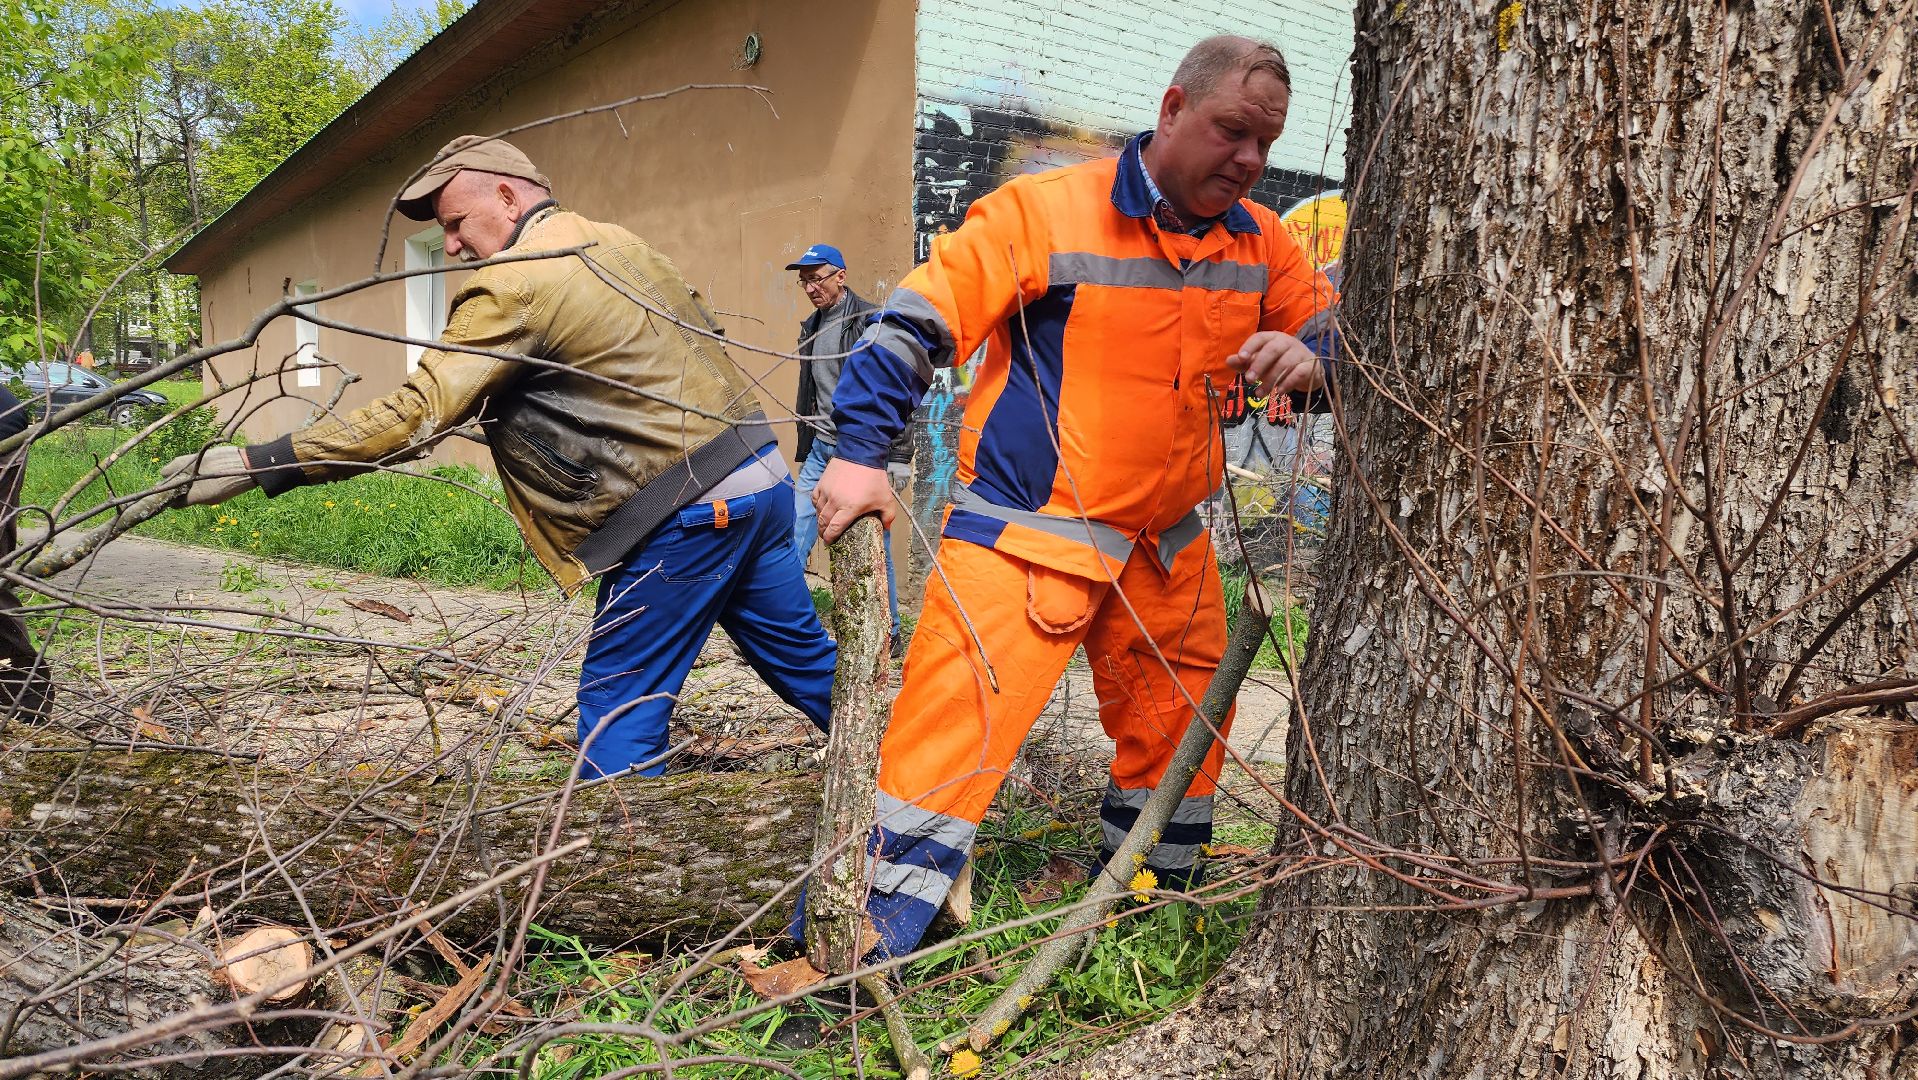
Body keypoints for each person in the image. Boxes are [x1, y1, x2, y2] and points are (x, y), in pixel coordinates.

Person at [807, 36, 1339, 957]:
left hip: (1167, 549)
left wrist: (1316, 358)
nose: (1250, 160)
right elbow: (915, 323)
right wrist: (856, 455)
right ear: (1173, 109)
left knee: (1182, 743)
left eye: (1267, 142)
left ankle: (1141, 914)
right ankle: (861, 957)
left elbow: (1335, 329)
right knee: (938, 753)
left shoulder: (1263, 237)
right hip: (1024, 543)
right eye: (1232, 131)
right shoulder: (1045, 210)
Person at [161, 135, 837, 778]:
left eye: (457, 224)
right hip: (760, 478)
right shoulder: (616, 240)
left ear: (511, 198)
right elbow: (694, 336)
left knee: (618, 708)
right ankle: (925, 793)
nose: (452, 246)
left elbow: (415, 413)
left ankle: (622, 873)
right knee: (811, 668)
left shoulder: (514, 281)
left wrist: (261, 463)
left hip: (686, 513)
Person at [786, 243, 914, 651]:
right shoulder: (810, 327)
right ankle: (786, 630)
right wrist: (806, 444)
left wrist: (896, 456)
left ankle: (889, 632)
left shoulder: (870, 321)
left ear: (841, 275)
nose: (810, 288)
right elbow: (811, 392)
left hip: (860, 454)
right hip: (822, 449)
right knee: (792, 536)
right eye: (804, 281)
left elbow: (895, 391)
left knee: (873, 542)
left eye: (816, 278)